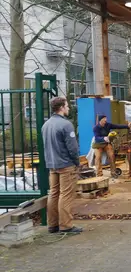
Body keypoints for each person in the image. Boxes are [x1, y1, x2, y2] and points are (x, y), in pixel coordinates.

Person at [42, 97, 82, 234]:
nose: (68, 108)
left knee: (53, 194)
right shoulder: (66, 125)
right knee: (66, 195)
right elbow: (73, 148)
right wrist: (77, 163)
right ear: (61, 108)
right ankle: (66, 225)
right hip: (66, 165)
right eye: (67, 105)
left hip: (52, 165)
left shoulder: (46, 125)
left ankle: (52, 225)